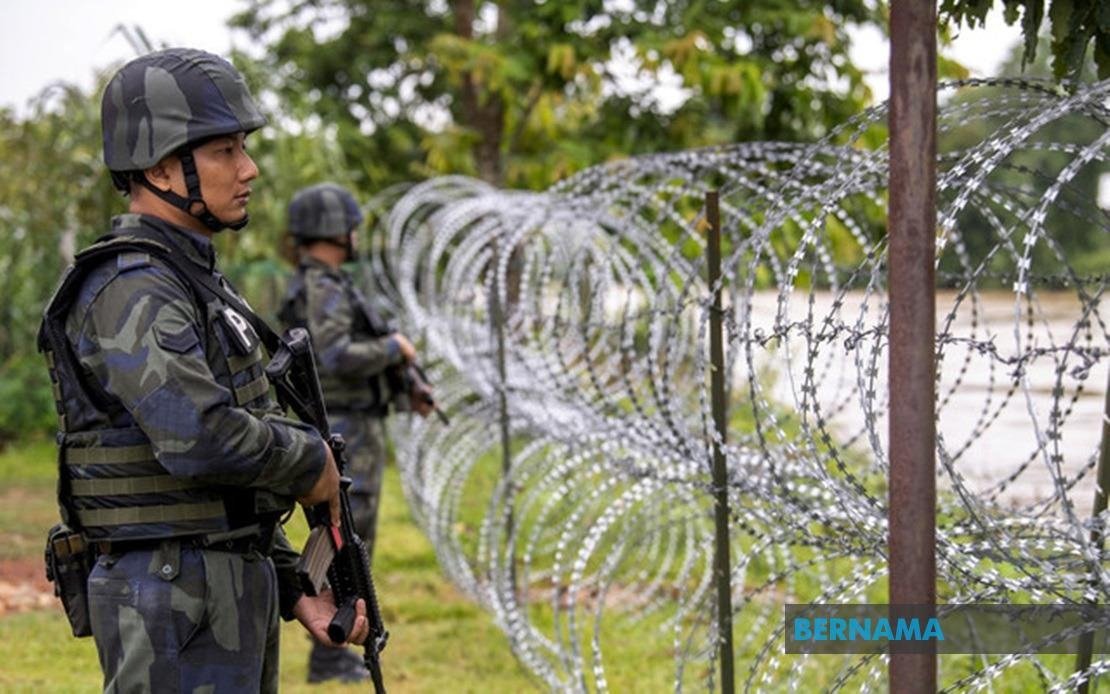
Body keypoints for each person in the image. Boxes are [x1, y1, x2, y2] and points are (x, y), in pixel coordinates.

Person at [38, 48, 368, 693]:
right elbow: (200, 436)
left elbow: (216, 491)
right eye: (225, 151)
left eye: (244, 148)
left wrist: (294, 584)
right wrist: (310, 464)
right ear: (163, 165)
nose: (248, 170)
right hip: (173, 595)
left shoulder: (190, 278)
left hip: (211, 582)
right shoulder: (133, 285)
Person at [278, 182, 432, 683]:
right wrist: (394, 348)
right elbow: (335, 355)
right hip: (343, 432)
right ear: (337, 231)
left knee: (350, 537)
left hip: (351, 429)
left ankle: (336, 647)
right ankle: (331, 650)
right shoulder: (323, 287)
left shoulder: (328, 283)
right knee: (345, 539)